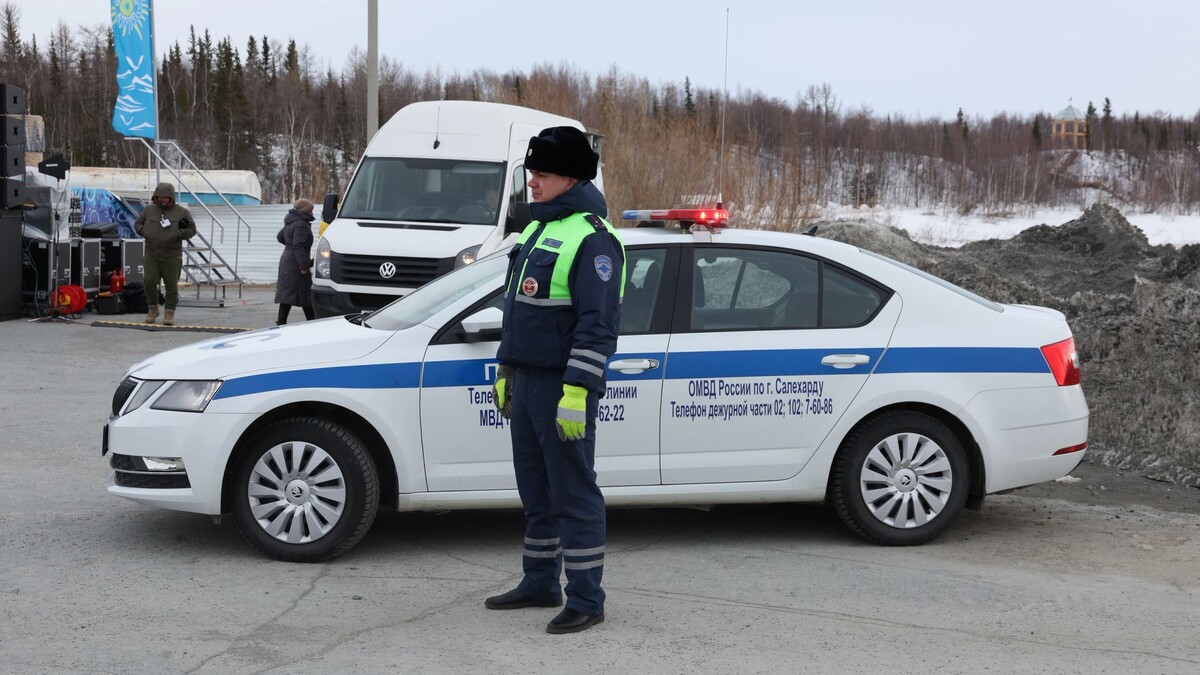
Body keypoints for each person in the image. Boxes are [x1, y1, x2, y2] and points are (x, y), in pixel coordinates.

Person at [485, 126, 625, 634]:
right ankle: (540, 581)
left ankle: (586, 598)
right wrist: (505, 367)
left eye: (542, 174)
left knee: (573, 493)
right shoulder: (537, 230)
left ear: (571, 177)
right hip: (527, 382)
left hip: (562, 387)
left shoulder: (595, 240)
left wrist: (577, 391)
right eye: (531, 173)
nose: (533, 182)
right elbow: (516, 310)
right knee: (536, 491)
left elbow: (598, 326)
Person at [134, 182, 196, 326]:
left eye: (165, 197)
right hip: (151, 253)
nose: (161, 199)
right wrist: (144, 232)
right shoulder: (149, 210)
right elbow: (137, 224)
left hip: (172, 255)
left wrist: (178, 233)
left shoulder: (182, 212)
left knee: (171, 286)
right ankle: (152, 309)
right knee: (149, 281)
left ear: (171, 197)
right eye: (159, 197)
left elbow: (192, 229)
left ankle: (169, 312)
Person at [275, 198, 317, 325]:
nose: (312, 213)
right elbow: (298, 245)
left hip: (287, 259)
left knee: (289, 292)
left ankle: (281, 322)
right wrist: (304, 265)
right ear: (306, 211)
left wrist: (289, 245)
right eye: (311, 210)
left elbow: (280, 237)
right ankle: (312, 323)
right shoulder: (300, 224)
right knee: (304, 293)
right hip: (296, 262)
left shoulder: (291, 221)